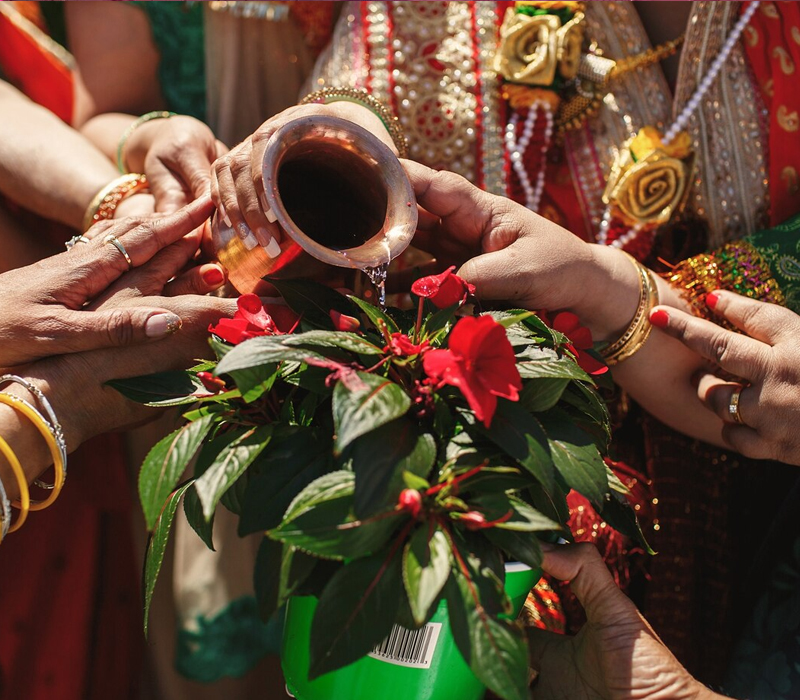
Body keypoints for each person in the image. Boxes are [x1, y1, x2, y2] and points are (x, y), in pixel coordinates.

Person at [211, 0, 800, 685]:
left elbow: (768, 369)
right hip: (481, 478)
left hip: (761, 520)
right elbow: (369, 94)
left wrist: (595, 286)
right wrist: (344, 128)